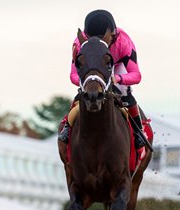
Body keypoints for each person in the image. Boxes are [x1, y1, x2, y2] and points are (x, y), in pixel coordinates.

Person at [58, 9, 146, 149]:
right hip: (92, 72)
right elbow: (73, 75)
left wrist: (116, 78)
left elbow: (136, 75)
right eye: (94, 39)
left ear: (113, 34)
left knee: (125, 93)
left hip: (116, 67)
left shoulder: (124, 41)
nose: (99, 43)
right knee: (82, 94)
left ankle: (139, 131)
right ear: (86, 37)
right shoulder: (80, 43)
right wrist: (86, 81)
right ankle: (67, 128)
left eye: (104, 38)